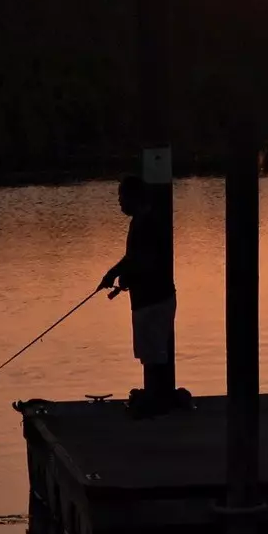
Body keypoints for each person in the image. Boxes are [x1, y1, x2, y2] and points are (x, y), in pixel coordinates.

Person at [100, 175, 176, 416]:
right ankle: (155, 398)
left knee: (153, 353)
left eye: (122, 197)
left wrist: (117, 274)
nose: (120, 203)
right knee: (150, 352)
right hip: (151, 299)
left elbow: (142, 261)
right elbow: (136, 260)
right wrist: (118, 275)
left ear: (134, 197)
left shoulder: (146, 223)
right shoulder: (143, 221)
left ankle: (156, 401)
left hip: (154, 299)